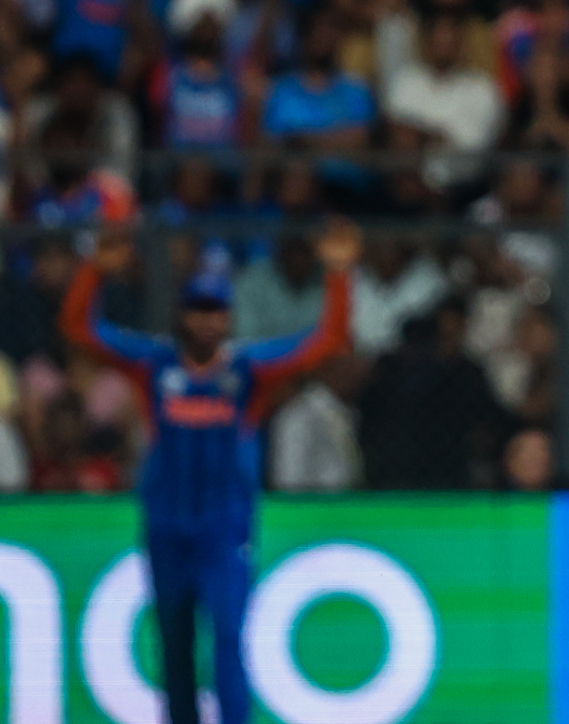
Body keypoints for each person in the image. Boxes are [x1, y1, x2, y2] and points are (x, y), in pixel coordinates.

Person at [57, 220, 360, 724]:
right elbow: (78, 331)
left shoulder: (247, 373)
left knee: (226, 643)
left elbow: (327, 340)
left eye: (215, 312)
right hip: (167, 530)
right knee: (174, 651)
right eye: (197, 310)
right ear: (183, 315)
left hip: (224, 533)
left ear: (228, 318)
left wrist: (339, 274)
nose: (206, 322)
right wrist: (92, 271)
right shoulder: (153, 367)